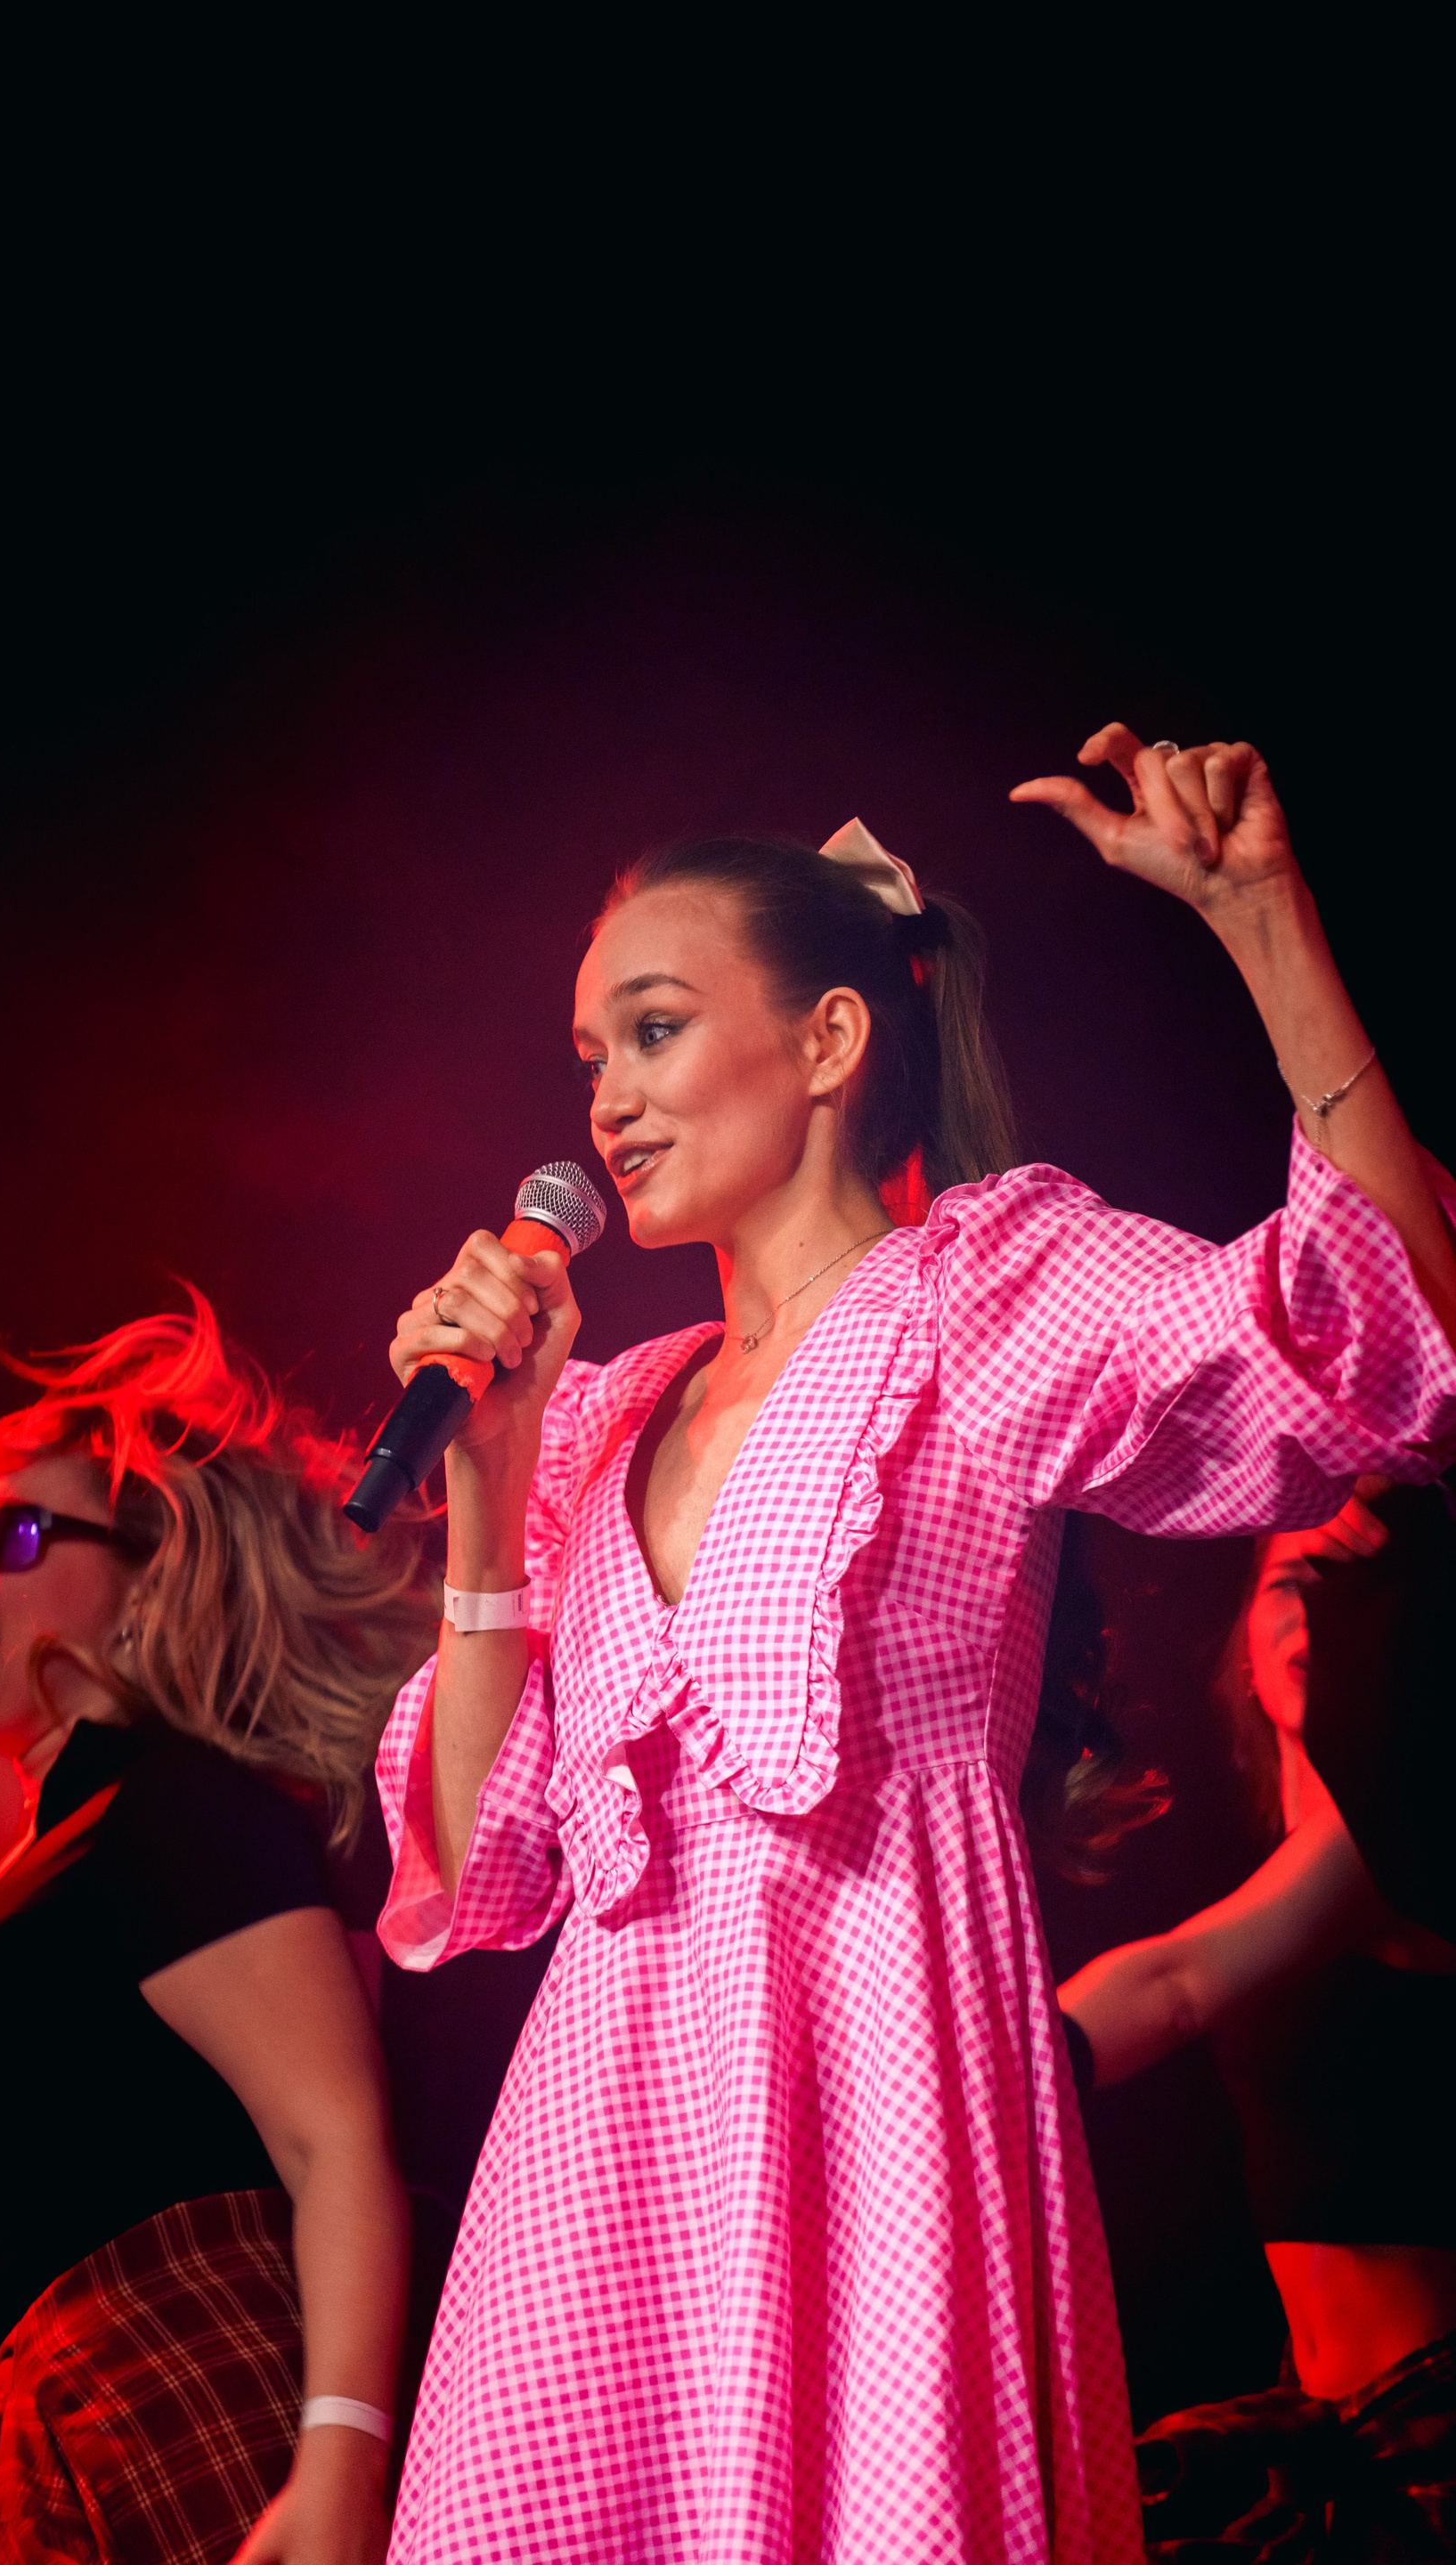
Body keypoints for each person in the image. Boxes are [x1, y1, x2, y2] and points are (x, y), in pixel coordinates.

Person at [370, 728, 1456, 2565]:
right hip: (601, 2161)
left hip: (879, 2105)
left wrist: (1267, 924)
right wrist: (487, 1478)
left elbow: (1381, 1339)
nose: (607, 1101)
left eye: (652, 1030)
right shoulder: (596, 1417)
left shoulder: (983, 1289)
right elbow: (477, 1873)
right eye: (589, 1057)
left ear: (830, 1041)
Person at [0, 1297, 432, 2565]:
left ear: (150, 1575)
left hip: (166, 2414)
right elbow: (35, 1908)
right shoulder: (109, 1838)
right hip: (68, 2435)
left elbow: (337, 2139)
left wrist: (342, 2462)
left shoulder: (187, 1817)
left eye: (8, 1534)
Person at [1059, 1482, 1456, 2556]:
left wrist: (976, 2064)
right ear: (1239, 1633)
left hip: (1427, 2437)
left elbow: (1175, 1984)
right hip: (1322, 2419)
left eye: (1338, 1584)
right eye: (1288, 1584)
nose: (1309, 1616)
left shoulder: (1395, 1848)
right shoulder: (1280, 1859)